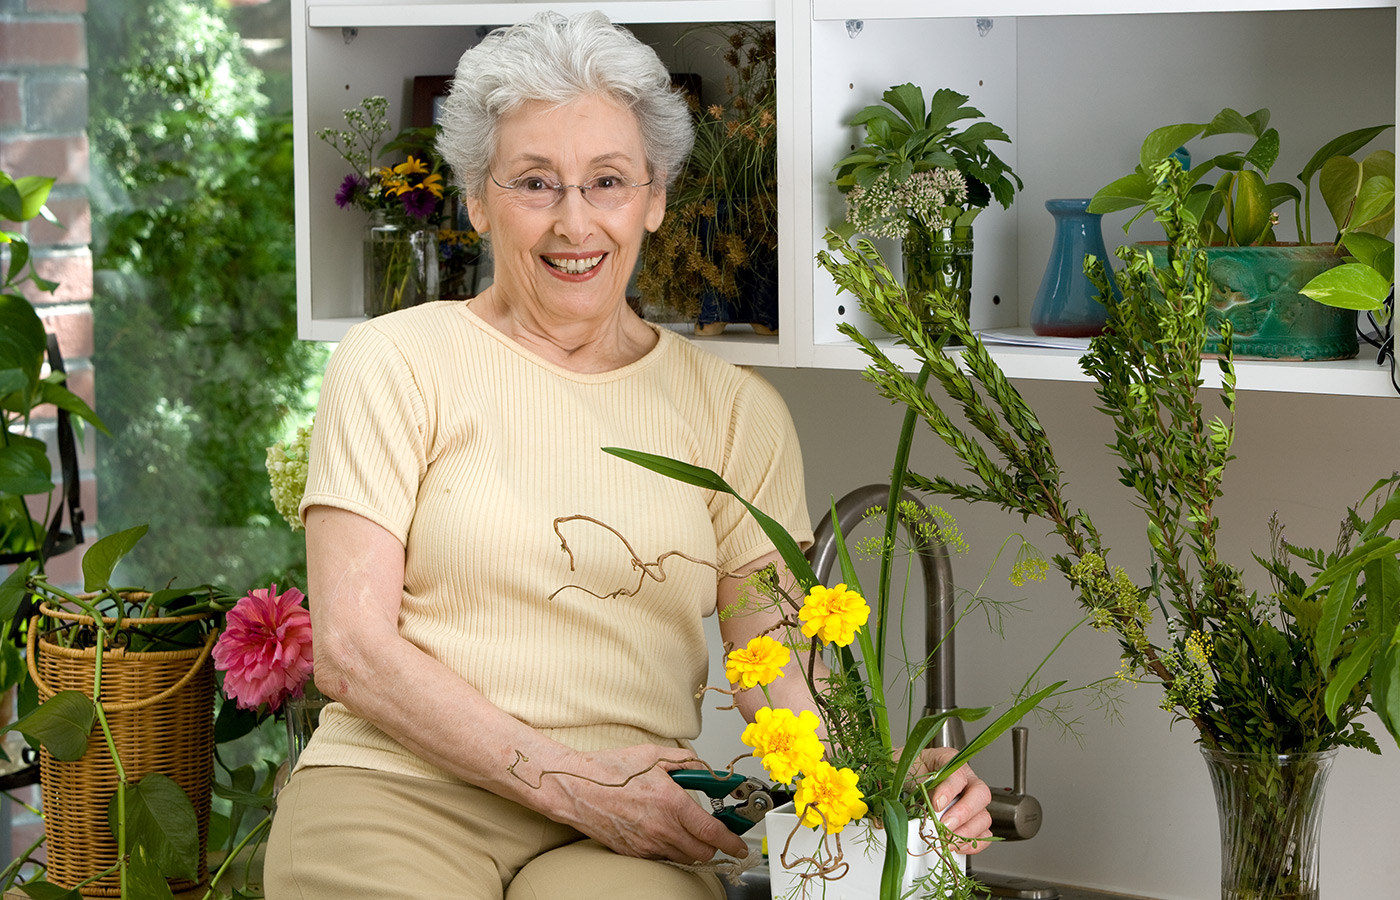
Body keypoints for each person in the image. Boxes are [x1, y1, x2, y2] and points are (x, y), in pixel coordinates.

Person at [264, 12, 991, 900]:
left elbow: (780, 670)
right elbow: (351, 650)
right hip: (400, 793)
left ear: (654, 198)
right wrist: (573, 781)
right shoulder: (393, 361)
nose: (576, 223)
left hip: (637, 825)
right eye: (535, 182)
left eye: (607, 181)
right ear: (477, 198)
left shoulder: (734, 413)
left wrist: (896, 780)